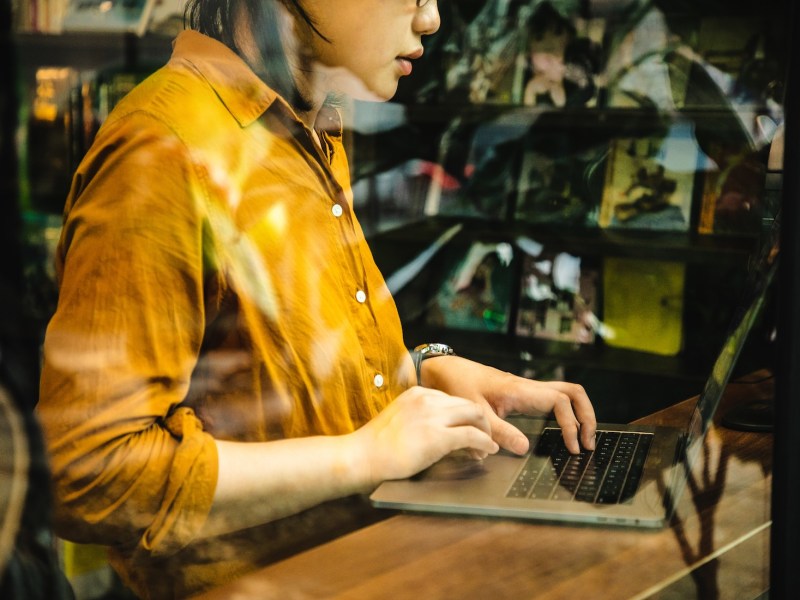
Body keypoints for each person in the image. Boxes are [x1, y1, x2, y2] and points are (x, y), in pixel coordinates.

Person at [36, 1, 597, 598]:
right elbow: (89, 476)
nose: (430, 19)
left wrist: (425, 369)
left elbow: (266, 381)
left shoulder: (302, 125)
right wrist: (360, 457)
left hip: (372, 565)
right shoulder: (165, 148)